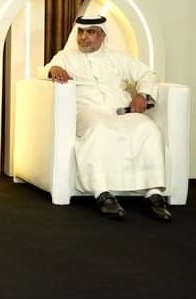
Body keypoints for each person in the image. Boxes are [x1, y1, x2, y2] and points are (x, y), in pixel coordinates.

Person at [39, 15, 171, 221]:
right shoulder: (65, 57)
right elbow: (43, 70)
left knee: (148, 128)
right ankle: (102, 193)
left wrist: (142, 94)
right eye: (81, 32)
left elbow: (147, 75)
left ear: (102, 36)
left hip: (120, 111)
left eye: (90, 32)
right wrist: (53, 69)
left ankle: (155, 193)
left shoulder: (119, 58)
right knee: (99, 129)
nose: (84, 37)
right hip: (88, 112)